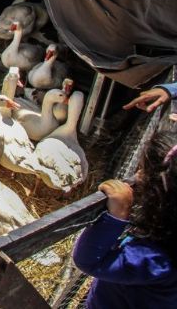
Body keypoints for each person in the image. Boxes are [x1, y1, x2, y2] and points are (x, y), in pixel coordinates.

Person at [72, 121, 177, 308]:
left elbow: (88, 261)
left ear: (158, 192)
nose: (136, 177)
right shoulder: (165, 243)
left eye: (143, 170)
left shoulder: (152, 260)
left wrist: (117, 216)